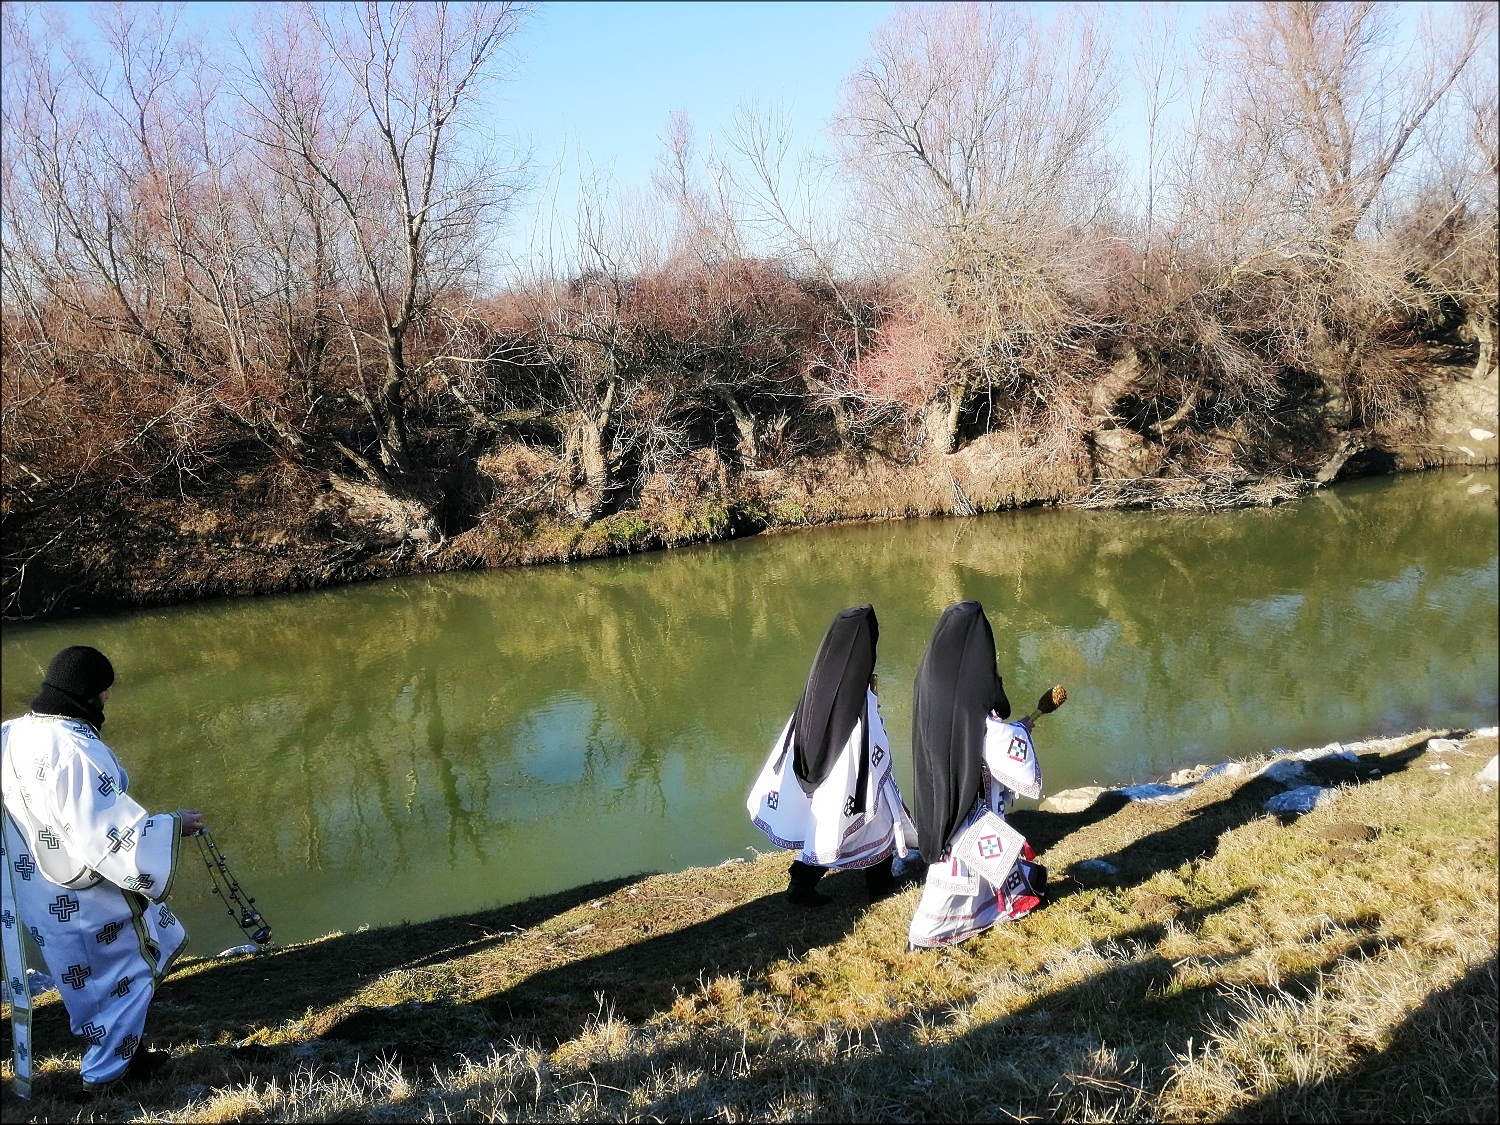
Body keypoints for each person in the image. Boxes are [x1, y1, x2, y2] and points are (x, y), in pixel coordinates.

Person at [1, 646, 202, 1097]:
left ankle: (126, 1053)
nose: (108, 701)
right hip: (86, 900)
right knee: (120, 979)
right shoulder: (75, 749)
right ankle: (107, 1076)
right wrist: (171, 826)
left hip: (34, 890)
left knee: (88, 983)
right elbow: (105, 835)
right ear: (92, 695)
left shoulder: (11, 733)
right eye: (105, 693)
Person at [746, 605, 917, 905]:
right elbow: (867, 729)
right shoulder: (854, 684)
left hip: (822, 762)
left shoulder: (824, 672)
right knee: (871, 817)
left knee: (830, 823)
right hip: (847, 767)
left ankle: (804, 881)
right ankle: (878, 883)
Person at [907, 602, 1048, 949]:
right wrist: (1020, 733)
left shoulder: (931, 675)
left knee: (968, 853)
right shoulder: (969, 687)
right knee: (957, 864)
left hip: (939, 782)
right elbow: (987, 734)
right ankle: (930, 932)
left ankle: (985, 908)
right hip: (966, 795)